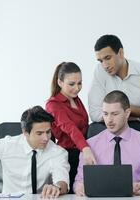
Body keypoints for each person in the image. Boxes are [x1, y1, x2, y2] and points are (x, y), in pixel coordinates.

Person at [74, 90, 140, 196]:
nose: (109, 120)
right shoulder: (89, 145)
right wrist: (80, 188)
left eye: (115, 114)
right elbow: (79, 181)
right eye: (105, 114)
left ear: (127, 113)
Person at [0, 106, 69, 198]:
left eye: (48, 132)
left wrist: (57, 187)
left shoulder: (57, 152)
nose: (46, 138)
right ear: (25, 132)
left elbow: (63, 181)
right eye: (39, 133)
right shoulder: (8, 145)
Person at [46, 62, 96, 193]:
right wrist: (85, 148)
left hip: (83, 152)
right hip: (68, 156)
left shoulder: (76, 99)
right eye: (71, 84)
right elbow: (70, 128)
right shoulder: (53, 104)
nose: (77, 88)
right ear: (60, 82)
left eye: (79, 83)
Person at [88, 34, 140, 122]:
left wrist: (129, 109)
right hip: (107, 125)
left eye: (108, 58)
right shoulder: (100, 71)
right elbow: (95, 114)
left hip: (136, 126)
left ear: (120, 53)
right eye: (101, 61)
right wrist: (125, 111)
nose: (105, 65)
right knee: (93, 130)